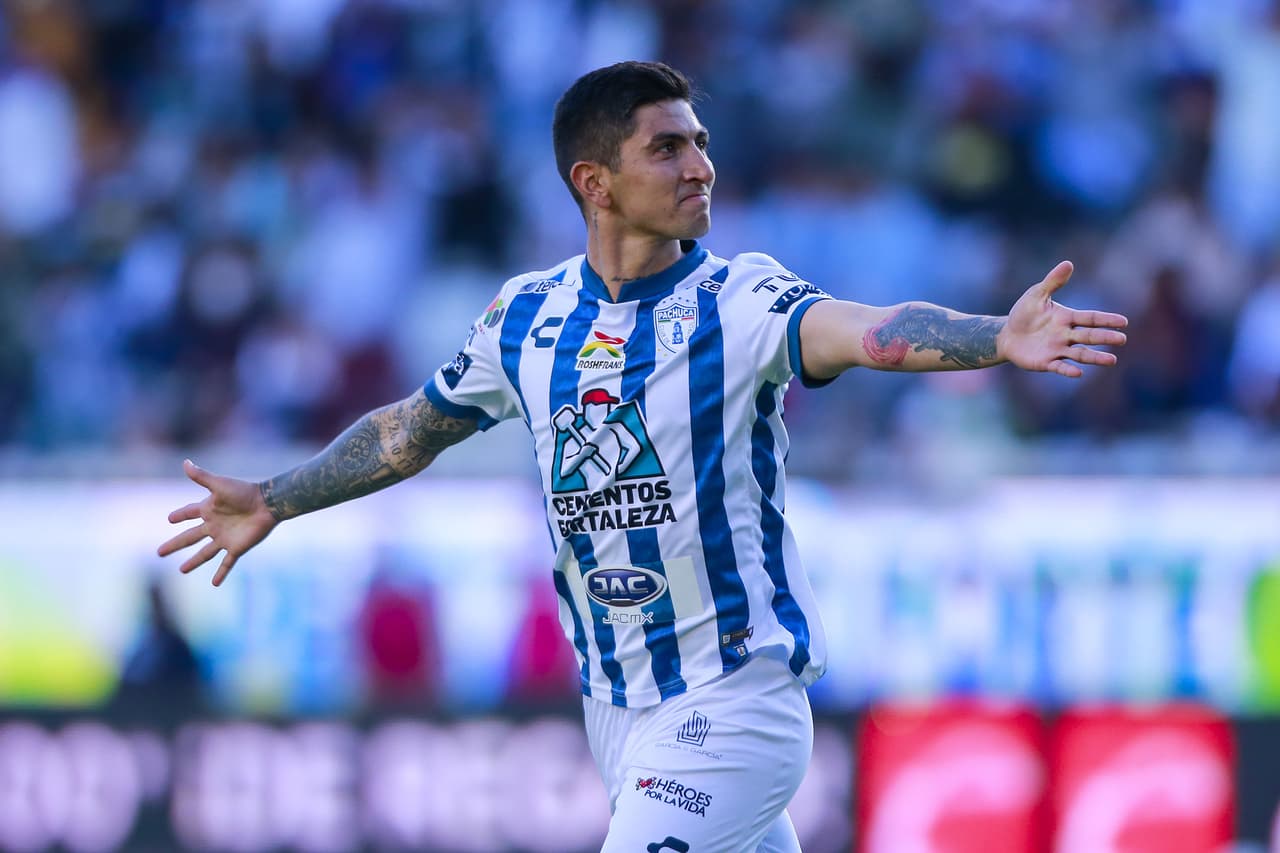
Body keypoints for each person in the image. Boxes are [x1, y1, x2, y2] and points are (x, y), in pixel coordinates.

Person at [158, 61, 1128, 852]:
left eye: (700, 142)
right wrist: (276, 498)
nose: (698, 164)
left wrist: (991, 334)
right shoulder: (526, 317)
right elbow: (408, 430)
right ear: (595, 181)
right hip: (616, 713)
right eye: (667, 147)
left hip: (733, 700)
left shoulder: (737, 300)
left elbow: (867, 329)